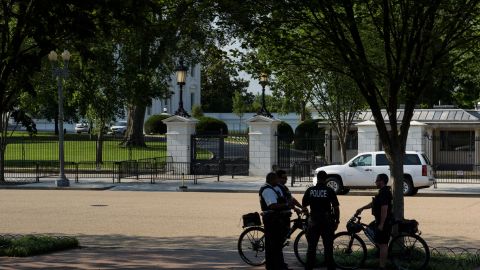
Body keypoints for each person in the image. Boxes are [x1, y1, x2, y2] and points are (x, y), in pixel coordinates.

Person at [302, 170, 340, 270]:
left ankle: (309, 267)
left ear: (318, 178)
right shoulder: (329, 190)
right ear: (326, 179)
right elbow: (336, 207)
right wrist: (337, 221)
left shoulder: (310, 190)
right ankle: (330, 268)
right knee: (328, 247)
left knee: (311, 247)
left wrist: (307, 215)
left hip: (313, 220)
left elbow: (304, 205)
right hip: (327, 222)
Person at [356, 173, 393, 270]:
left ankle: (382, 266)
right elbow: (374, 203)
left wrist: (381, 224)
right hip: (379, 220)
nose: (375, 182)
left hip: (384, 221)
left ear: (381, 181)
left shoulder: (384, 193)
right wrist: (362, 208)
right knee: (374, 235)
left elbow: (384, 209)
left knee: (383, 244)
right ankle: (381, 257)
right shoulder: (382, 192)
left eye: (377, 180)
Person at [259, 172, 291, 270]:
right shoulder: (267, 190)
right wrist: (286, 205)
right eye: (276, 179)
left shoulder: (274, 188)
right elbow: (272, 205)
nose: (278, 181)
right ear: (272, 180)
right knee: (275, 244)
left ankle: (274, 265)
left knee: (274, 245)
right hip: (271, 220)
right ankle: (278, 266)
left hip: (276, 219)